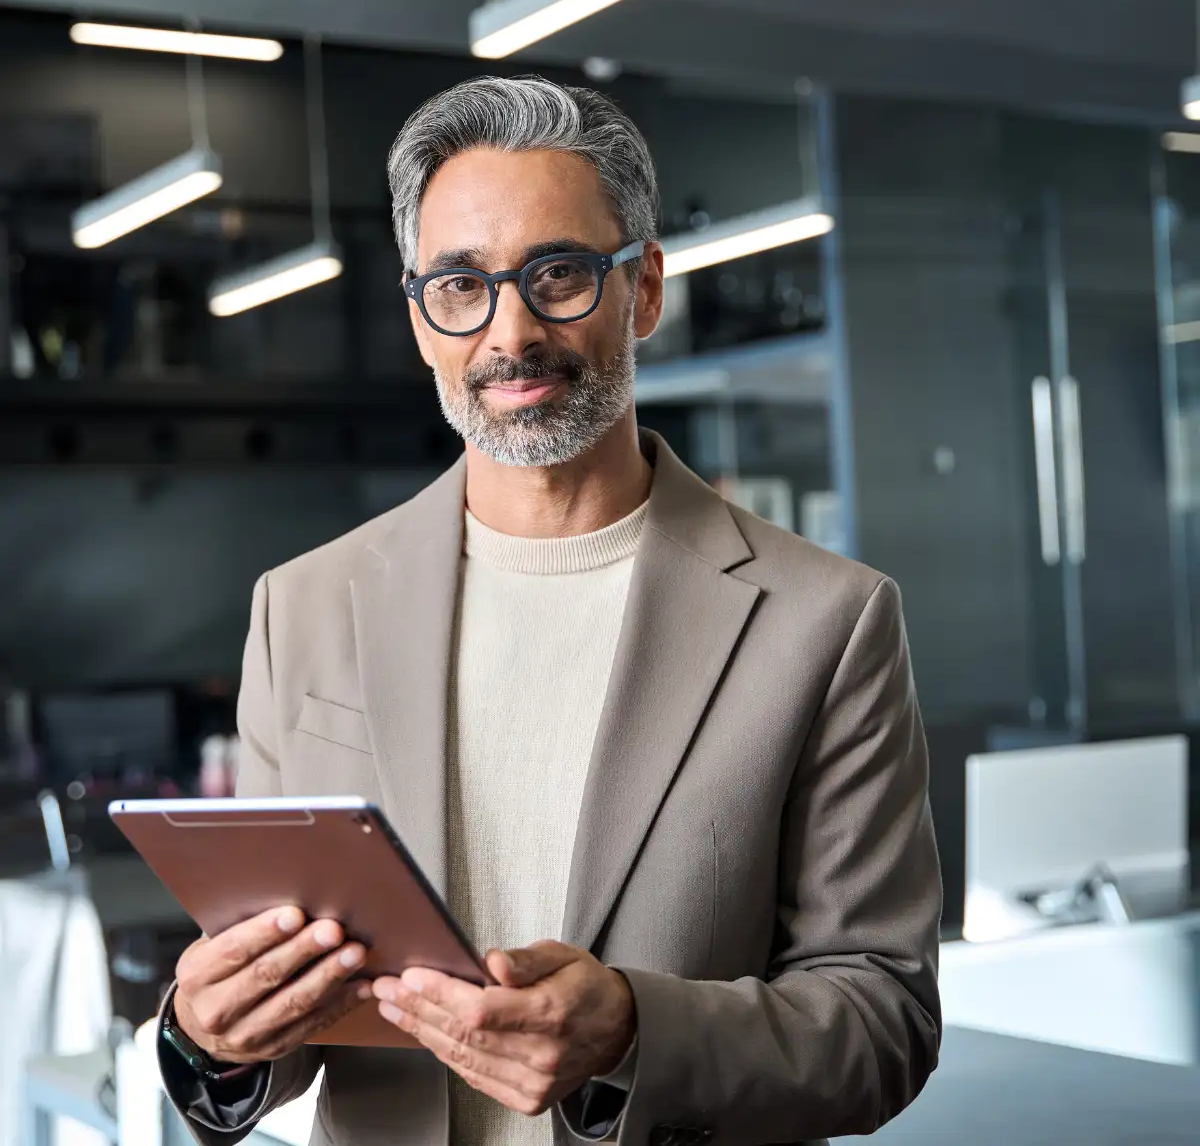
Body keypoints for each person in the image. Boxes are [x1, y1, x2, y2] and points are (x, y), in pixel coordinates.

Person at [158, 75, 941, 1146]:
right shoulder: (302, 608)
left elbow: (884, 1014)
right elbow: (287, 998)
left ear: (647, 288)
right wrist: (211, 1035)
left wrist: (632, 1034)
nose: (510, 332)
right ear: (419, 318)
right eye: (460, 285)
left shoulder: (828, 621)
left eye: (560, 274)